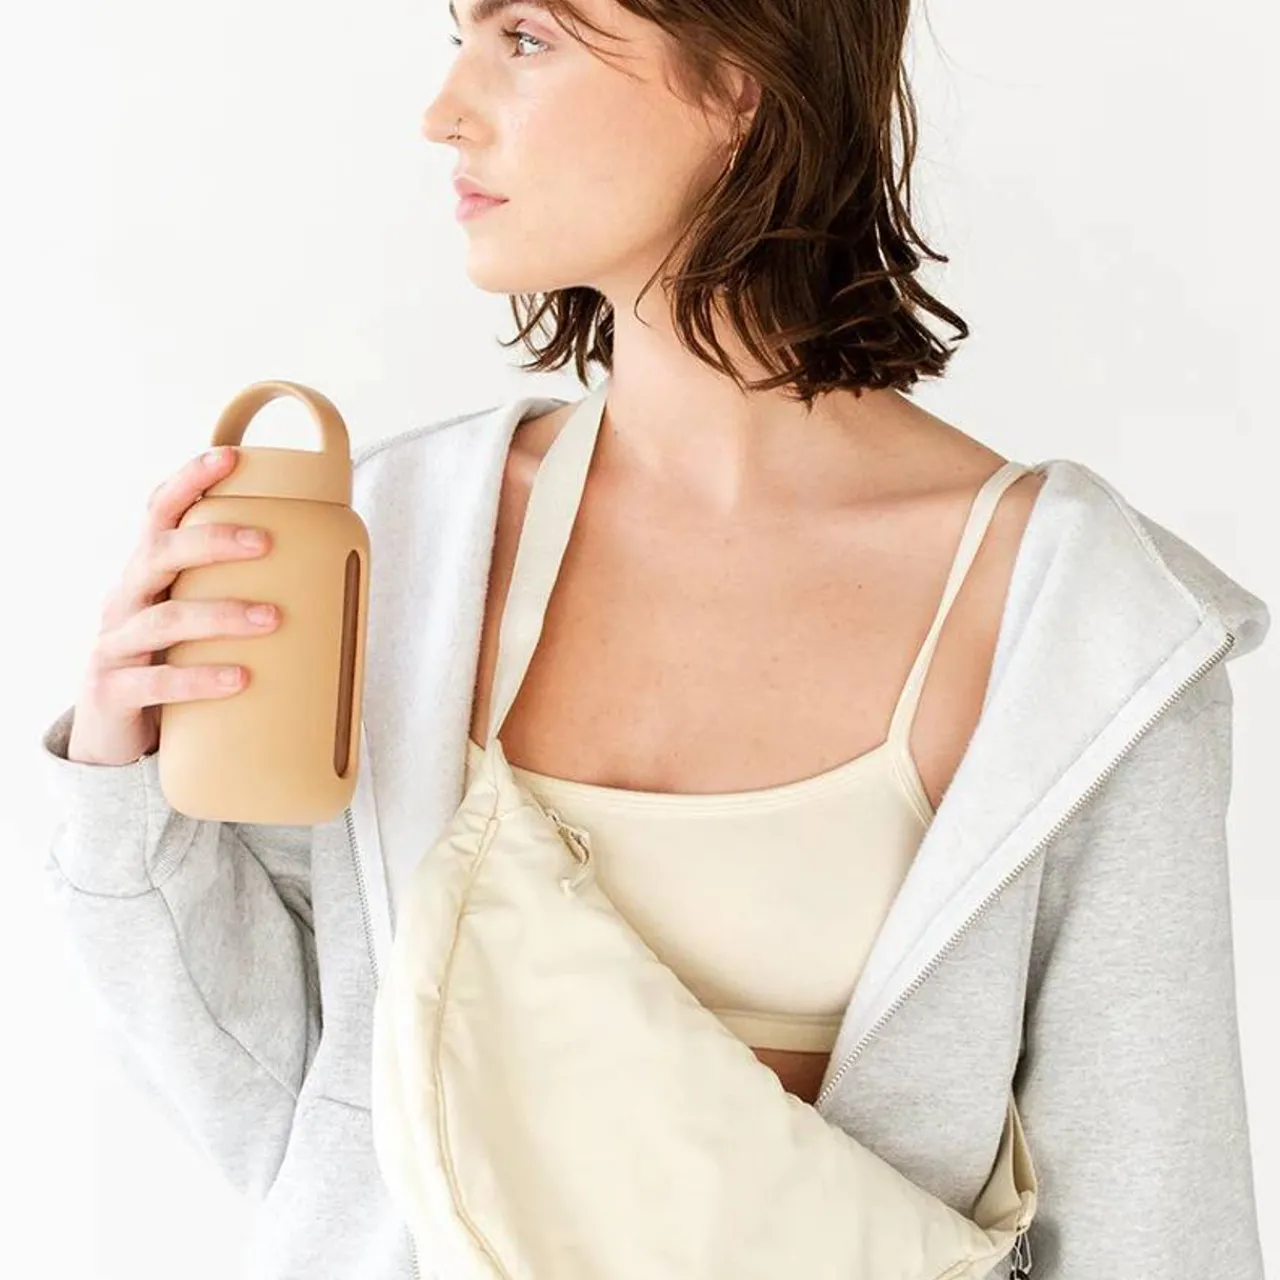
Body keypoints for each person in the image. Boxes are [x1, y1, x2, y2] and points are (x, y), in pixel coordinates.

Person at [38, 2, 1269, 1278]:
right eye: (459, 39)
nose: (442, 111)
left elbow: (1155, 1208)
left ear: (739, 78)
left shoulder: (1085, 629)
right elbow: (307, 1122)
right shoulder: (401, 541)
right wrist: (126, 784)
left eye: (525, 36)